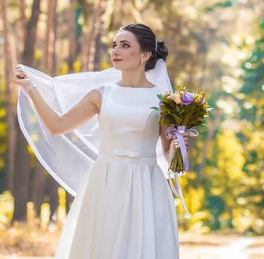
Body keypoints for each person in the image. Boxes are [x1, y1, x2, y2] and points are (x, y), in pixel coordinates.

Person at [11, 23, 189, 259]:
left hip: (147, 183)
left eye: (125, 45)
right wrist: (31, 88)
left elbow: (167, 154)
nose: (116, 51)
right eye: (115, 45)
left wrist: (178, 145)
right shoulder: (101, 94)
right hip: (106, 180)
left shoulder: (164, 100)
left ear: (145, 55)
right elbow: (58, 125)